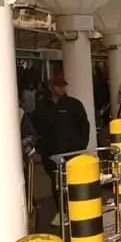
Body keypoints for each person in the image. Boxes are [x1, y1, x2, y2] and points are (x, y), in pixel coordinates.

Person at [32, 74, 90, 227]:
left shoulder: (74, 104)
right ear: (51, 87)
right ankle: (61, 211)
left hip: (71, 153)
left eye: (63, 85)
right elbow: (36, 128)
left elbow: (84, 126)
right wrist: (42, 149)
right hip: (50, 154)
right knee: (56, 184)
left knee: (71, 182)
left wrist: (80, 147)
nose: (61, 88)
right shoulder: (42, 106)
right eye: (58, 86)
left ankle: (74, 210)